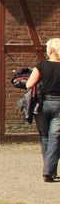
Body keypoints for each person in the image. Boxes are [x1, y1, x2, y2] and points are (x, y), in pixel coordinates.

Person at [24, 37, 60, 182]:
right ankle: (48, 171)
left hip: (43, 104)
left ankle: (48, 170)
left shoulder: (41, 65)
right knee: (55, 138)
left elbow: (29, 84)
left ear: (50, 50)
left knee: (45, 137)